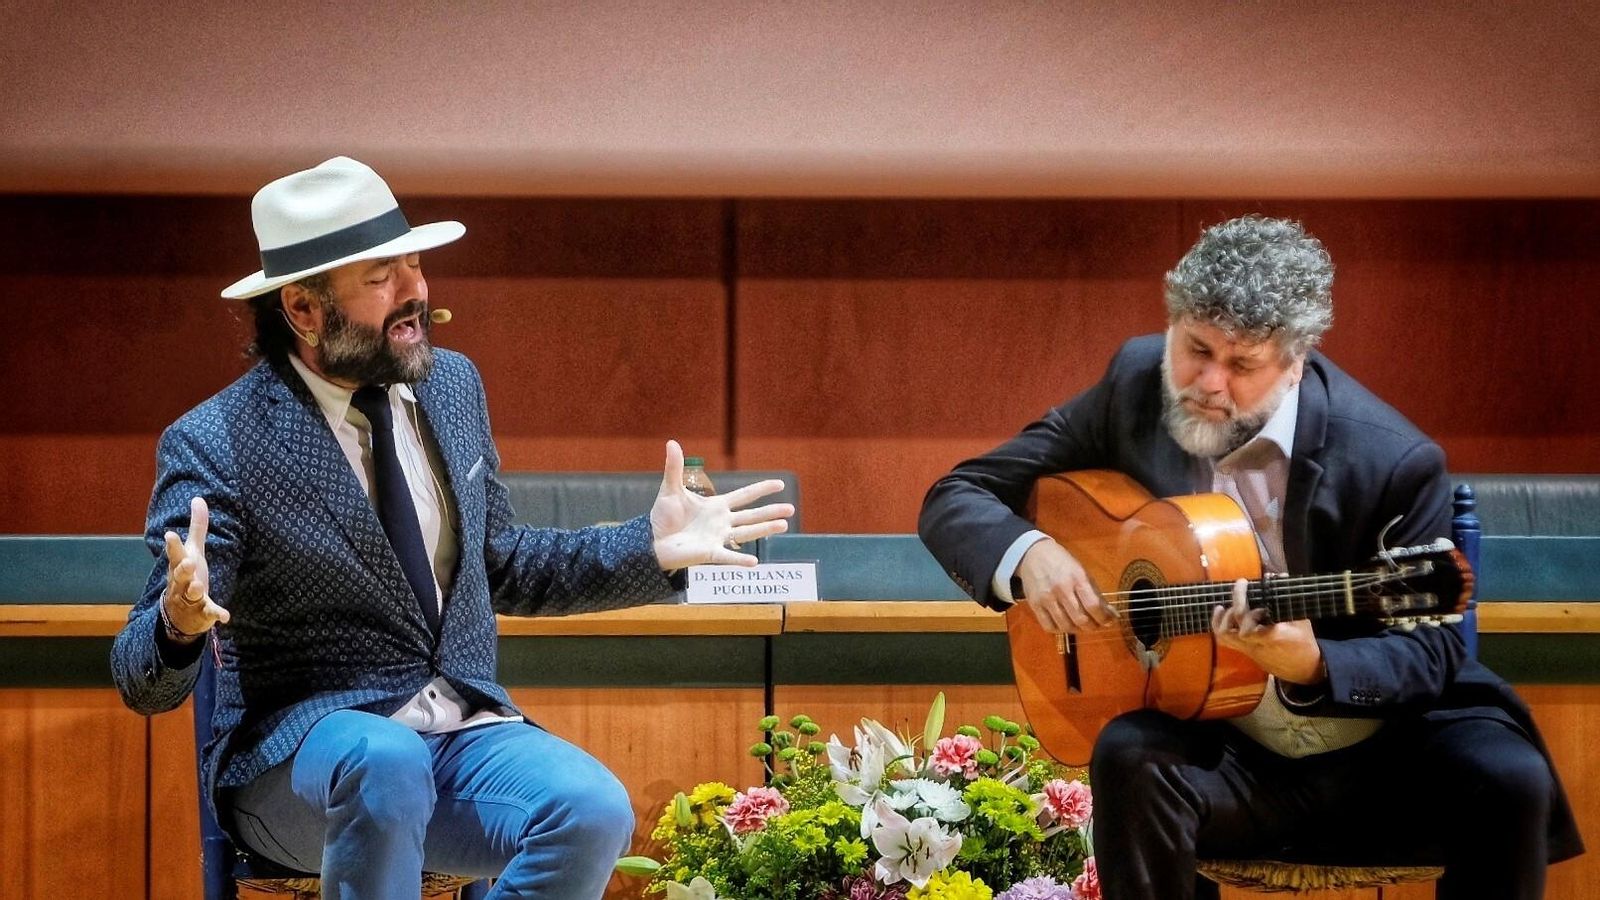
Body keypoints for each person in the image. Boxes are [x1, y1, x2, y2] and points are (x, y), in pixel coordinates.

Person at [110, 156, 793, 899]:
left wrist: (651, 549)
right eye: (381, 278)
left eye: (414, 265)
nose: (416, 292)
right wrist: (177, 624)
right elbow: (141, 681)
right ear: (303, 310)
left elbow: (502, 563)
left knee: (592, 810)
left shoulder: (451, 388)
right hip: (297, 767)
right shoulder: (220, 439)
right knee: (384, 759)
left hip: (455, 737)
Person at [918, 215, 1581, 899]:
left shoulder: (1390, 459)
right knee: (1128, 753)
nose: (1208, 382)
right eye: (1195, 348)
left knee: (1511, 776)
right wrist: (1032, 554)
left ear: (1295, 364)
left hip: (1379, 756)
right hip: (1224, 748)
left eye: (1242, 365)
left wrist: (1314, 663)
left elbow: (1431, 658)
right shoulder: (1135, 385)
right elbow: (958, 493)